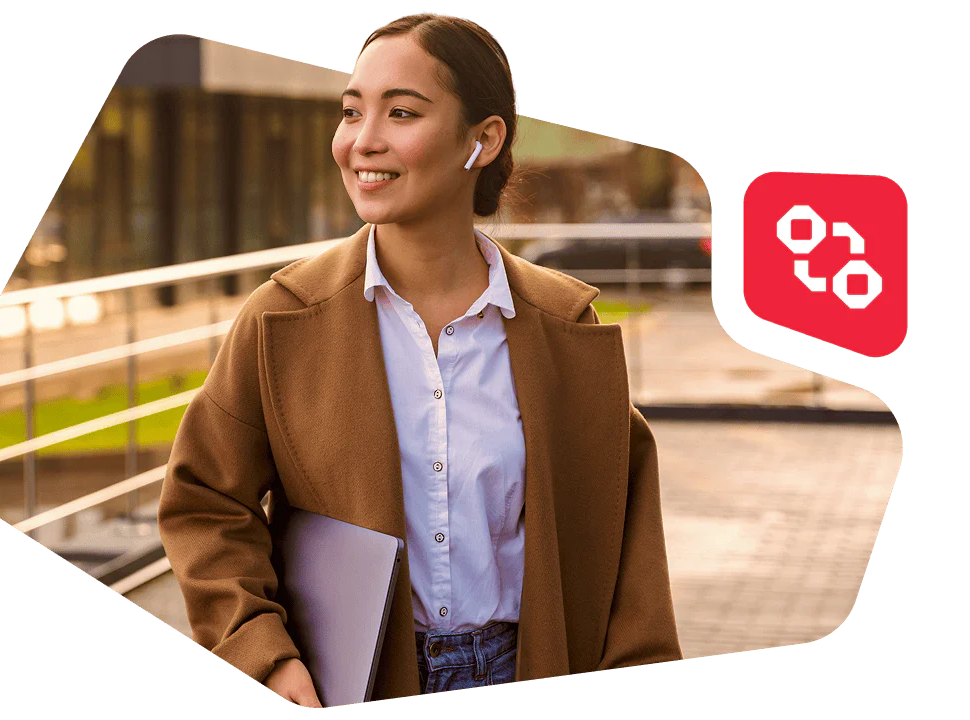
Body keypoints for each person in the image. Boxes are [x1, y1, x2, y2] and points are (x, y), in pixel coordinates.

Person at [157, 11, 682, 708]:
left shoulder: (565, 328)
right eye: (352, 111)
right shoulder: (282, 318)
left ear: (482, 140)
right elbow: (204, 501)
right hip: (351, 685)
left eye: (401, 112)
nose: (362, 142)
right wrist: (263, 654)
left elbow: (625, 548)